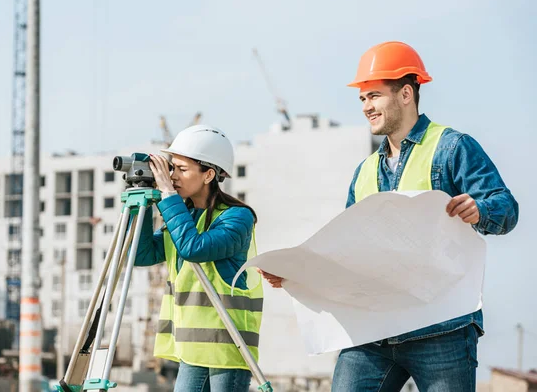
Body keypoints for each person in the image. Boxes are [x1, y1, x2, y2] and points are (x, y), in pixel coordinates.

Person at [261, 41, 519, 391]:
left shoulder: (452, 147)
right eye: (363, 99)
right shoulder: (365, 171)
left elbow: (506, 208)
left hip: (441, 328)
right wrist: (298, 274)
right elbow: (347, 251)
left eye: (374, 96)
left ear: (406, 93)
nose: (366, 106)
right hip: (374, 332)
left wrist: (480, 210)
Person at [134, 125, 263, 392]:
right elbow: (142, 254)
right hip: (190, 352)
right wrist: (144, 202)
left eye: (182, 169)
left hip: (227, 349)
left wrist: (169, 196)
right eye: (172, 168)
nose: (173, 176)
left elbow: (194, 248)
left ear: (209, 174)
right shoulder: (185, 217)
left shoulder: (237, 217)